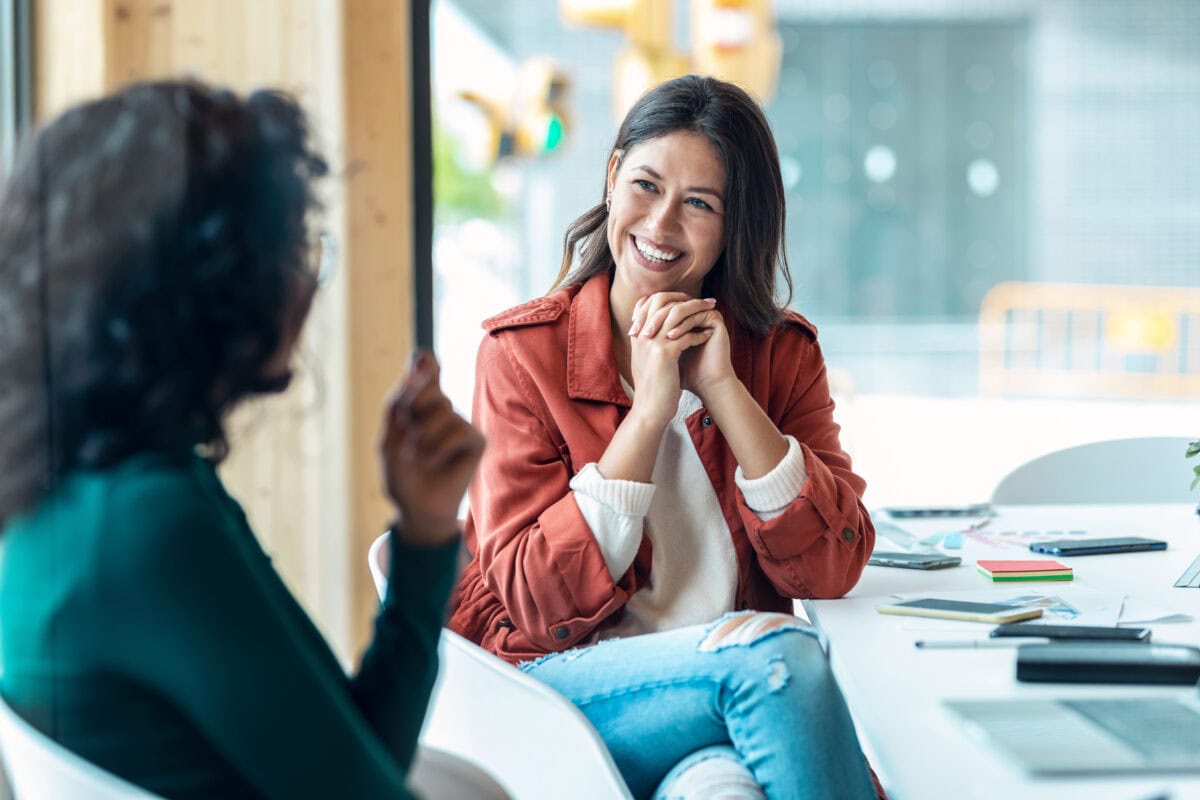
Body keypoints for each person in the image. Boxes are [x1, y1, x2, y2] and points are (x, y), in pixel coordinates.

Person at [0, 80, 490, 799]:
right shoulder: (148, 528)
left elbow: (361, 757)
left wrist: (424, 531)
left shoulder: (92, 493)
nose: (307, 283)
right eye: (293, 250)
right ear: (213, 284)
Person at [449, 75, 886, 800]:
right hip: (566, 691)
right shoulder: (521, 355)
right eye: (646, 186)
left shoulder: (780, 356)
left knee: (719, 789)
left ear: (734, 223)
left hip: (717, 705)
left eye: (699, 204)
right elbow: (535, 603)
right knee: (781, 659)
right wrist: (649, 415)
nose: (661, 225)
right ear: (614, 176)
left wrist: (723, 389)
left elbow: (830, 570)